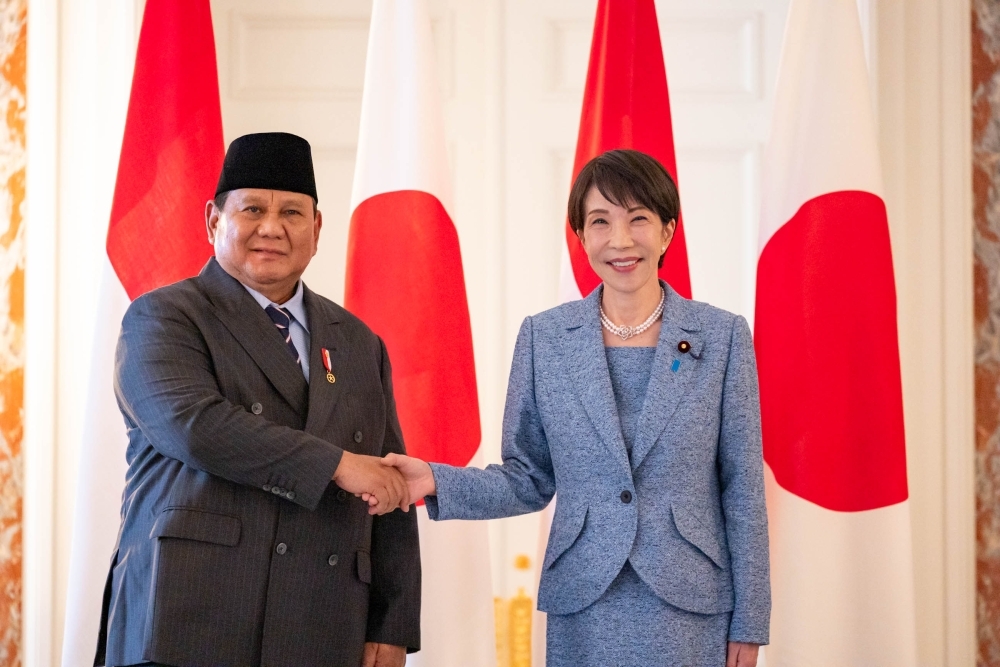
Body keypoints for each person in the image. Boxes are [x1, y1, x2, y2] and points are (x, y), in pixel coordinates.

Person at [378, 149, 770, 666]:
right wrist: (433, 479)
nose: (621, 240)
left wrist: (751, 621)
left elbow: (742, 487)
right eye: (601, 222)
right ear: (582, 237)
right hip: (584, 600)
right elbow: (527, 478)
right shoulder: (545, 339)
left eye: (639, 220)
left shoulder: (721, 337)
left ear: (668, 231)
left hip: (692, 605)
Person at [95, 132, 420, 667]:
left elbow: (389, 480)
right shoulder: (165, 318)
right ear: (213, 221)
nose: (272, 228)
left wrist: (394, 623)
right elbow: (197, 427)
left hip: (324, 621)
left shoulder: (360, 342)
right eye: (253, 209)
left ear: (316, 230)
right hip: (189, 618)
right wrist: (337, 465)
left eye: (293, 212)